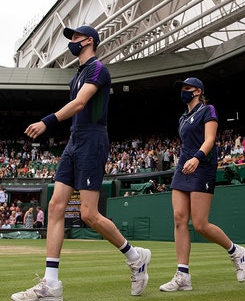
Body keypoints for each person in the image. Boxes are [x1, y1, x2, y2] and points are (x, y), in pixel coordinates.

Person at [11, 25, 150, 301]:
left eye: (75, 38)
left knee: (88, 214)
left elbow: (80, 104)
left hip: (93, 140)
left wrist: (46, 122)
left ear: (89, 41)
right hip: (75, 140)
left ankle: (135, 257)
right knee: (55, 205)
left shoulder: (98, 69)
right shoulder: (76, 76)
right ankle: (51, 285)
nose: (71, 42)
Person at [159, 77, 245, 293]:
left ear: (198, 91)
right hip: (184, 166)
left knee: (200, 224)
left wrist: (197, 158)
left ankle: (235, 251)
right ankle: (183, 276)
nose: (184, 92)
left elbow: (209, 140)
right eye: (182, 89)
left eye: (187, 89)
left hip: (203, 165)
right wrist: (185, 161)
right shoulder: (182, 118)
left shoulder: (208, 110)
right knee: (179, 219)